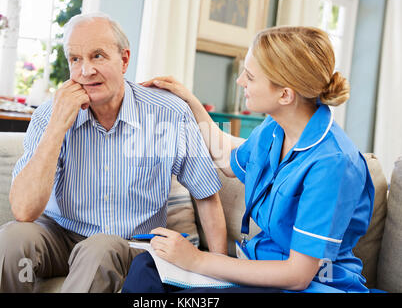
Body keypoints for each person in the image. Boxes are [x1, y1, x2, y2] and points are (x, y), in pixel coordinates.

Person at [122, 26, 375, 293]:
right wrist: (191, 103)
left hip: (309, 285)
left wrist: (197, 259)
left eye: (251, 77)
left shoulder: (333, 163)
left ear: (285, 95)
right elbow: (228, 161)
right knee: (146, 266)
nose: (240, 80)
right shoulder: (274, 128)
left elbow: (297, 275)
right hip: (258, 267)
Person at [0, 13, 228, 293]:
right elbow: (23, 210)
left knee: (99, 249)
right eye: (75, 59)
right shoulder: (49, 115)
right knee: (13, 238)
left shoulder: (168, 114)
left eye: (97, 56)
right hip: (60, 237)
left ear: (124, 60)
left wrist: (218, 267)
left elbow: (206, 195)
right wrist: (57, 126)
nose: (85, 71)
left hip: (125, 245)